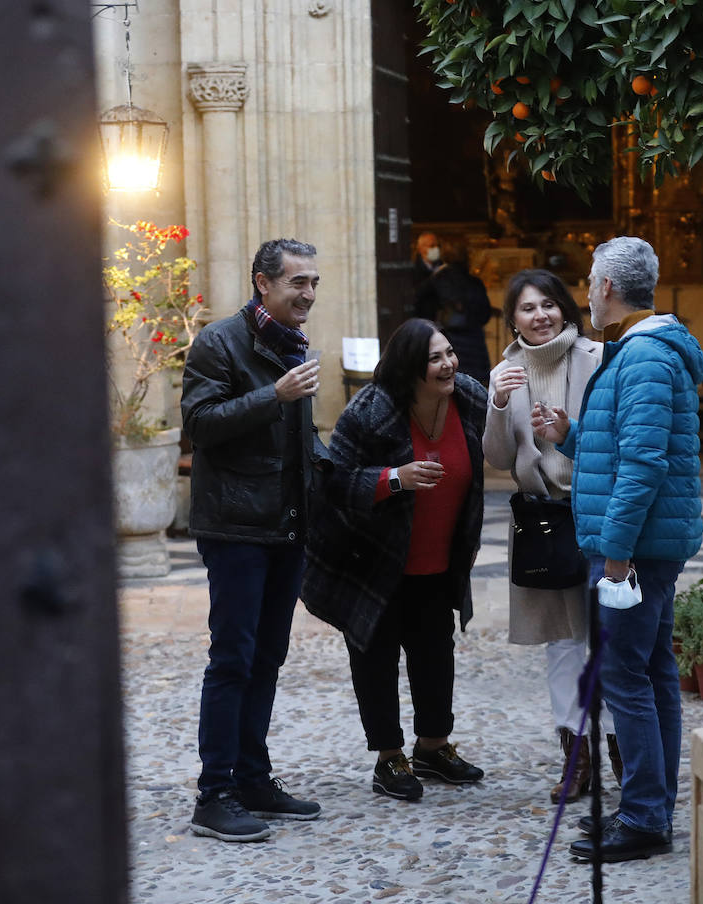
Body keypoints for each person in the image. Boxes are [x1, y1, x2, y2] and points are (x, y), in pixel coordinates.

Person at [533, 236, 703, 863]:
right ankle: (650, 807)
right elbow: (621, 449)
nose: (583, 290)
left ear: (607, 287)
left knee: (625, 676)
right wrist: (570, 437)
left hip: (637, 548)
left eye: (588, 280)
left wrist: (615, 552)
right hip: (646, 542)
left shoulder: (644, 357)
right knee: (652, 670)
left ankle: (641, 816)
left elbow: (643, 465)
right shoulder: (639, 352)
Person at [301, 318, 488, 802]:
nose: (448, 364)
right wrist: (394, 478)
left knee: (435, 652)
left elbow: (500, 441)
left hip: (438, 557)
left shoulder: (466, 396)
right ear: (409, 367)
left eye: (449, 352)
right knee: (375, 657)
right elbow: (335, 481)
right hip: (374, 558)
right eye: (435, 358)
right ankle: (389, 757)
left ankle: (433, 746)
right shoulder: (372, 409)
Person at [181, 238, 329, 842]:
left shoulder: (290, 344)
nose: (309, 294)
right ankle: (213, 793)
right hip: (235, 526)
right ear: (262, 283)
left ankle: (252, 778)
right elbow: (199, 425)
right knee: (233, 659)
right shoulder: (220, 342)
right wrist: (275, 394)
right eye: (298, 282)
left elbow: (297, 443)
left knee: (267, 658)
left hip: (284, 526)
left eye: (314, 282)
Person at [482, 270, 604, 804]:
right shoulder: (506, 371)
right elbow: (498, 458)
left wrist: (566, 433)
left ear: (566, 309)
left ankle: (622, 751)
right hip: (543, 520)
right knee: (561, 643)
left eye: (549, 305)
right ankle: (576, 755)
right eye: (528, 309)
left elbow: (612, 440)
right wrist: (498, 405)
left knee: (610, 639)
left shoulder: (596, 358)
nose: (540, 316)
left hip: (597, 513)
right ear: (512, 319)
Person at [414, 242, 494, 386]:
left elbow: (418, 302)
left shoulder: (437, 279)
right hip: (476, 343)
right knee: (478, 386)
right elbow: (486, 314)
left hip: (450, 340)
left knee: (454, 384)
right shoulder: (475, 282)